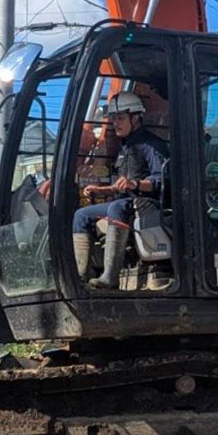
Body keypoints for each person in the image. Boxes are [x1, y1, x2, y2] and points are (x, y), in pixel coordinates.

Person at [71, 91, 168, 290]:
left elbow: (162, 179)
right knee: (81, 216)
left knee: (116, 208)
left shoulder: (150, 145)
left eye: (121, 118)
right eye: (114, 119)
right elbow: (122, 185)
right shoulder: (126, 147)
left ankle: (110, 277)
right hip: (125, 202)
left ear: (136, 118)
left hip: (146, 203)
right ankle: (81, 275)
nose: (116, 123)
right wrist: (100, 189)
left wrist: (137, 184)